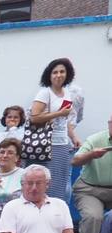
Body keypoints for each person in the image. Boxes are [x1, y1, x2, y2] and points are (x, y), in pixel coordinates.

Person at [29, 58, 83, 199]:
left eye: (62, 72)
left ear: (67, 74)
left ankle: (57, 214)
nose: (58, 75)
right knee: (46, 182)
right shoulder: (45, 93)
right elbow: (34, 117)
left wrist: (73, 137)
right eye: (55, 72)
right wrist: (59, 112)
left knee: (61, 182)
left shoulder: (67, 93)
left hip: (62, 144)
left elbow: (65, 121)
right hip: (45, 144)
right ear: (49, 75)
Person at [71, 114, 112, 233]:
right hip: (90, 189)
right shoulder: (95, 139)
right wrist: (92, 154)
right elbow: (74, 161)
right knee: (93, 216)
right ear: (109, 124)